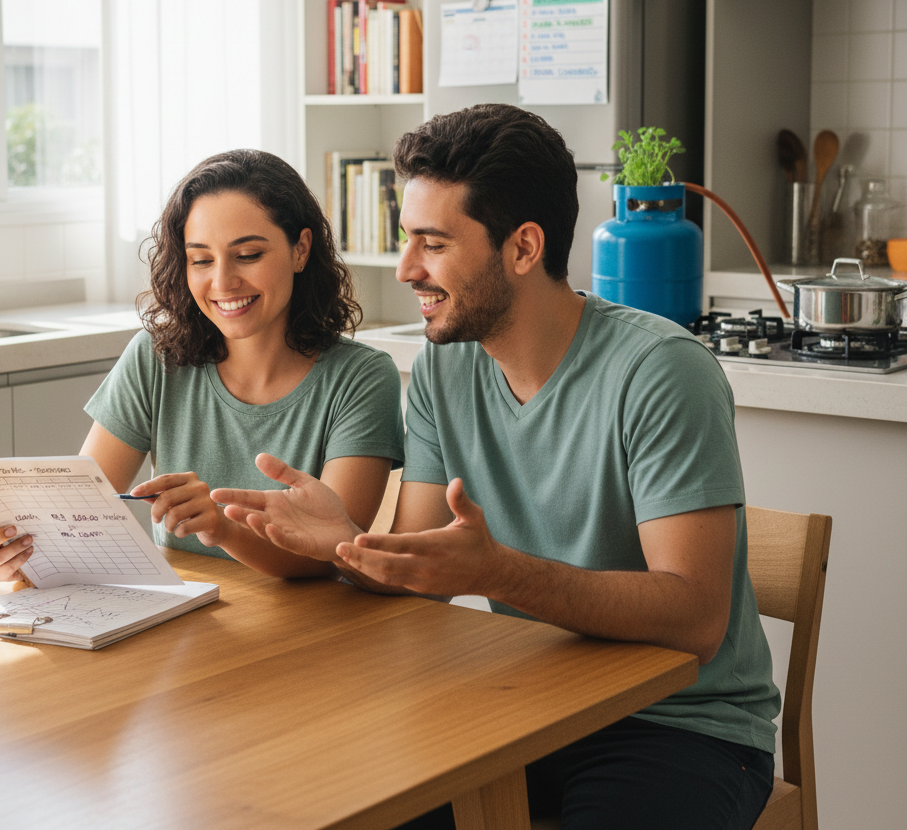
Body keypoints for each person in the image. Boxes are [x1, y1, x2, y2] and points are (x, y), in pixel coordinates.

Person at [212, 105, 781, 830]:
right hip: (524, 699)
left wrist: (498, 572)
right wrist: (346, 543)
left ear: (523, 248)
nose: (408, 268)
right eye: (406, 240)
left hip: (679, 726)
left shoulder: (661, 373)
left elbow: (696, 620)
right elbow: (425, 573)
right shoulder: (444, 370)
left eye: (433, 243)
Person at [0, 150, 404, 581]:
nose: (222, 282)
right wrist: (12, 554)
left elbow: (327, 554)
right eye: (201, 260)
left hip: (315, 632)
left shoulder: (362, 379)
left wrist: (222, 528)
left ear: (300, 249)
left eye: (248, 255)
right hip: (191, 624)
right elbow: (77, 514)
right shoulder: (156, 358)